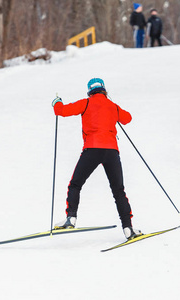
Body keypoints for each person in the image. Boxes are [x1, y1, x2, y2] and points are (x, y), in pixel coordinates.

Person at [51, 78, 142, 240]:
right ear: (104, 90)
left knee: (76, 184)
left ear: (89, 91)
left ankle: (71, 218)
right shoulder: (112, 106)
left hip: (92, 149)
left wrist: (57, 102)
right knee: (118, 190)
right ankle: (128, 228)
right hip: (112, 152)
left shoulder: (86, 103)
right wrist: (112, 109)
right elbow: (127, 119)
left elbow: (62, 111)